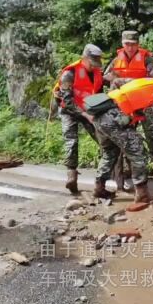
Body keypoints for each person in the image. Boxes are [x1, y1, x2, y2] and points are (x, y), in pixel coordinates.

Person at [90, 76, 153, 207]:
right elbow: (151, 133)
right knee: (139, 152)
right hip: (113, 119)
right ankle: (142, 194)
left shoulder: (148, 84)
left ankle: (99, 189)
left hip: (100, 115)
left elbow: (117, 81)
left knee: (110, 152)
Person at [103, 30, 153, 180]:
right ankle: (128, 168)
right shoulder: (116, 60)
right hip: (125, 103)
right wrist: (113, 78)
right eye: (127, 44)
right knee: (125, 134)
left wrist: (126, 81)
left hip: (145, 101)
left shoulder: (147, 59)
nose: (130, 48)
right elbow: (106, 77)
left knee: (151, 133)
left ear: (138, 44)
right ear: (122, 44)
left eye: (133, 45)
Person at [52, 44, 105, 195]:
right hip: (69, 110)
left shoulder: (97, 73)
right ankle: (71, 176)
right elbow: (67, 101)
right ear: (85, 58)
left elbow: (99, 93)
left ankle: (103, 177)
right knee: (71, 140)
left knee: (102, 137)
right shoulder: (69, 74)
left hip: (88, 109)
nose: (94, 64)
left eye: (97, 61)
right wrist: (84, 114)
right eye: (92, 61)